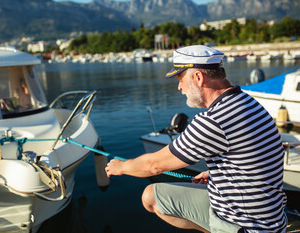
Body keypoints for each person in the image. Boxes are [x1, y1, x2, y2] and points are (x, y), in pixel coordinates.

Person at [105, 45, 287, 232]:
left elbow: (154, 165)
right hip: (271, 221)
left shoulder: (214, 120)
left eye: (180, 79)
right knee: (152, 196)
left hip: (248, 226)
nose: (179, 87)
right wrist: (217, 174)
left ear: (198, 78)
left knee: (149, 197)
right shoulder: (247, 103)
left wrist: (122, 166)